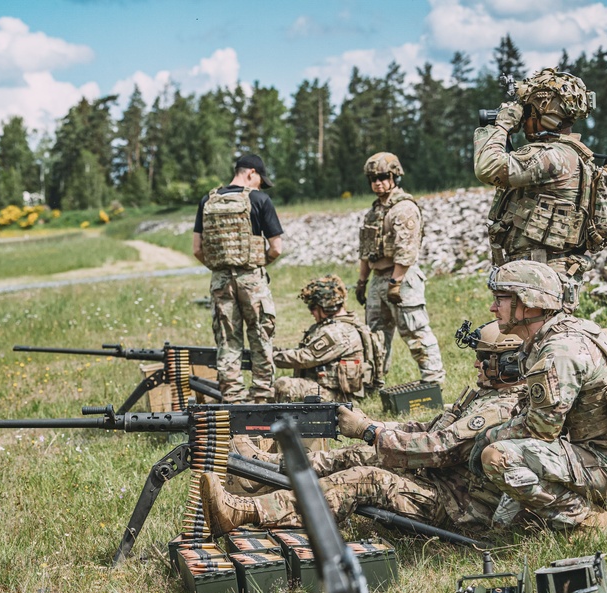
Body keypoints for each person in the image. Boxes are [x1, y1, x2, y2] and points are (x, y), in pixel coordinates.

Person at [201, 321, 527, 536]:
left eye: (484, 358)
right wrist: (375, 426)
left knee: (366, 479)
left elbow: (438, 449)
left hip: (461, 508)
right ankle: (261, 469)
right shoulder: (488, 395)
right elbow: (426, 428)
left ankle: (246, 512)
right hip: (441, 483)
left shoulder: (501, 407)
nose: (476, 364)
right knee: (356, 456)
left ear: (510, 363)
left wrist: (371, 431)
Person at [476, 260, 607, 532]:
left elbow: (541, 429)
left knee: (497, 457)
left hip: (603, 462)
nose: (493, 308)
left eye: (501, 300)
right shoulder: (558, 333)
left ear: (529, 303)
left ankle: (590, 519)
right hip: (588, 450)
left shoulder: (560, 351)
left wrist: (489, 436)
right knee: (502, 525)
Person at [473, 68, 598, 310]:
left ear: (546, 115)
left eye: (528, 111)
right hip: (538, 274)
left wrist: (502, 126)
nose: (524, 118)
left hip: (541, 278)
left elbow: (487, 168)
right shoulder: (564, 153)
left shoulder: (553, 157)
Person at [193, 155, 283, 403]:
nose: (260, 187)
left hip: (220, 280)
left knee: (227, 339)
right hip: (251, 278)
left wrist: (219, 268)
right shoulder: (259, 199)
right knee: (260, 335)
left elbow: (197, 249)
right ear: (251, 173)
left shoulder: (207, 200)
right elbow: (276, 247)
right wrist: (256, 265)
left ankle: (233, 398)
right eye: (260, 181)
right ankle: (262, 396)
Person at [354, 152, 444, 385]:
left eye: (383, 177)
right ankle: (375, 381)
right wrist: (362, 282)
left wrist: (395, 282)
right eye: (372, 179)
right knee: (375, 336)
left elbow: (407, 250)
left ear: (394, 176)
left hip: (401, 278)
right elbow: (365, 251)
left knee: (414, 330)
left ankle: (433, 379)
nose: (377, 182)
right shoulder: (374, 211)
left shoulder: (403, 208)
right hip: (378, 277)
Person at [272, 275, 382, 403]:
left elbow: (304, 358)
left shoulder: (338, 331)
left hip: (340, 397)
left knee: (283, 386)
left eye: (312, 307)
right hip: (339, 392)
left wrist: (269, 357)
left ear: (325, 307)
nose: (311, 312)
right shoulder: (348, 324)